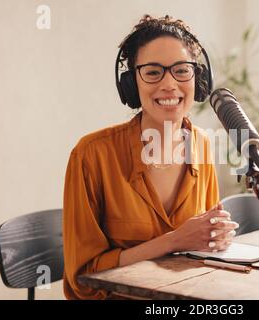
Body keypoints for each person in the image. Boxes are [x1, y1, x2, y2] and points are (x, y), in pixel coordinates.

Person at [62, 14, 239, 300]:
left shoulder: (202, 145)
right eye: (153, 72)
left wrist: (214, 237)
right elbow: (83, 280)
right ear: (131, 84)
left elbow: (201, 249)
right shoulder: (91, 155)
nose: (170, 85)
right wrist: (173, 241)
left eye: (182, 70)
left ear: (199, 79)